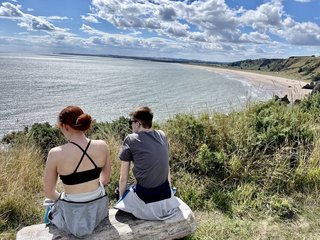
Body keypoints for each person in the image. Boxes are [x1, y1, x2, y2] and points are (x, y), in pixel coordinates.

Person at [44, 106, 111, 237]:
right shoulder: (102, 145)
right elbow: (105, 179)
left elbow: (49, 192)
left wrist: (63, 198)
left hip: (72, 213)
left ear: (65, 126)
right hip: (97, 209)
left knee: (48, 208)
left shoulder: (56, 154)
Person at [114, 106, 180, 220]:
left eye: (131, 122)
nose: (131, 125)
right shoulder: (162, 135)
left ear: (138, 123)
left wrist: (121, 202)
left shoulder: (131, 139)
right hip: (165, 195)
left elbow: (123, 177)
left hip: (146, 200)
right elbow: (166, 166)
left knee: (121, 188)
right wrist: (169, 193)